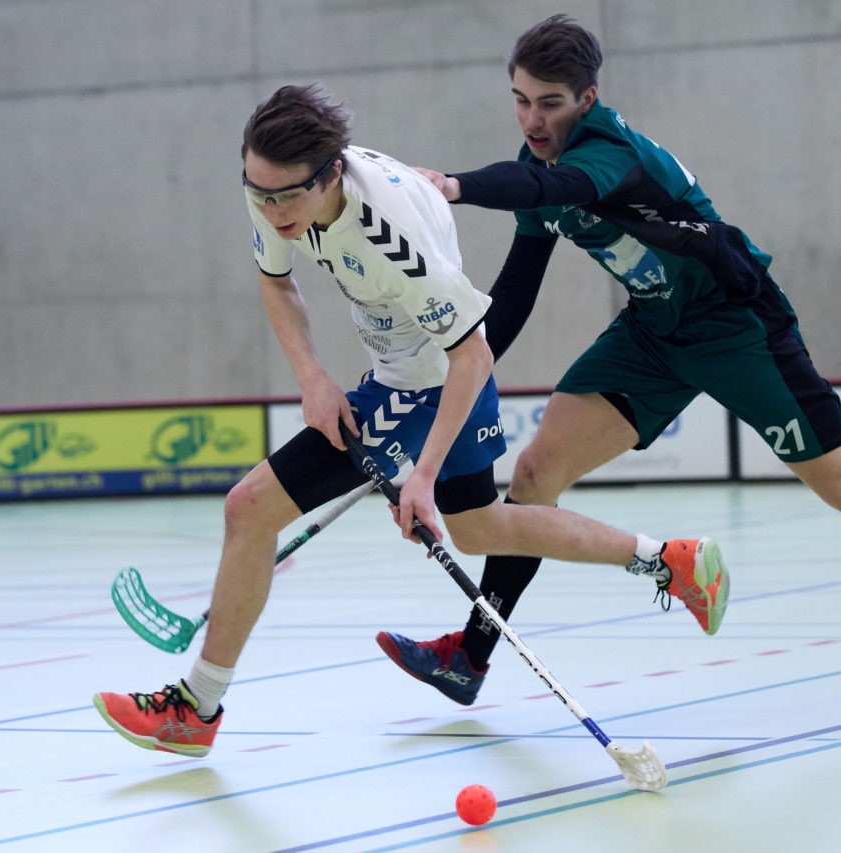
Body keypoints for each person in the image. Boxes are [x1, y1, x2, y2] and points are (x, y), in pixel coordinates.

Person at [378, 14, 841, 705]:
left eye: (549, 103)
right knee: (535, 473)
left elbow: (548, 191)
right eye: (521, 100)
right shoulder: (538, 167)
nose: (533, 119)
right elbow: (518, 290)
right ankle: (470, 657)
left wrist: (454, 186)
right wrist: (455, 369)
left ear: (587, 98)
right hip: (652, 332)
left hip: (738, 326)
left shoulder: (607, 152)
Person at [92, 84, 730, 756]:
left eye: (285, 197)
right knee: (483, 528)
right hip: (431, 368)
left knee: (249, 508)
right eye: (258, 193)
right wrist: (312, 377)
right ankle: (670, 560)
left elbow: (472, 354)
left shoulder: (388, 236)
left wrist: (421, 475)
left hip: (431, 383)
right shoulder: (275, 183)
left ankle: (195, 708)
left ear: (331, 174)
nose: (271, 210)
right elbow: (277, 280)